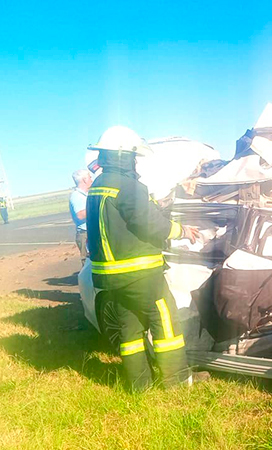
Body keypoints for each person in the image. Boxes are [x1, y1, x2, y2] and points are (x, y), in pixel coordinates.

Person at [86, 125, 202, 391]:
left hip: (110, 277)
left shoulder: (97, 187)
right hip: (140, 275)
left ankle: (140, 385)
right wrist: (181, 231)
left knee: (129, 328)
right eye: (133, 157)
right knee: (165, 320)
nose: (135, 162)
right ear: (123, 156)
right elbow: (149, 224)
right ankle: (177, 380)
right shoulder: (128, 186)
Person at [70, 169, 92, 266]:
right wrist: (96, 207)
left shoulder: (85, 194)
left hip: (89, 232)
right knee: (88, 261)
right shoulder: (76, 196)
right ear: (84, 180)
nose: (91, 180)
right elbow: (80, 214)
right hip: (85, 234)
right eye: (90, 177)